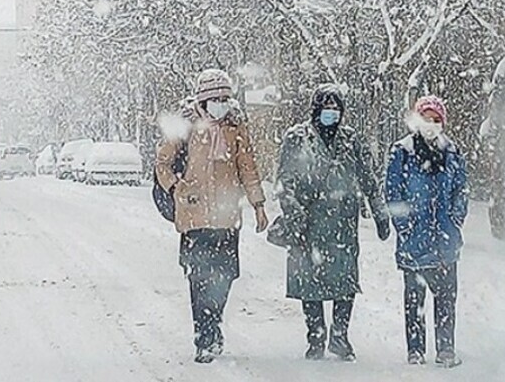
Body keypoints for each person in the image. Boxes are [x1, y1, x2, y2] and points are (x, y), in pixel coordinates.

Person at [155, 68, 269, 364]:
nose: (221, 103)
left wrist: (258, 205)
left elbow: (248, 168)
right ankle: (204, 337)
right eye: (216, 98)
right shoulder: (186, 127)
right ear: (204, 100)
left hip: (227, 217)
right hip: (194, 219)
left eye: (225, 98)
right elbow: (162, 163)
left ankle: (214, 322)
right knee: (199, 278)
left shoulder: (235, 128)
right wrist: (177, 188)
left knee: (225, 275)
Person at [276, 84, 389, 362]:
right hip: (308, 224)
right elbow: (284, 182)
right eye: (326, 108)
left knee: (345, 281)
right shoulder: (296, 138)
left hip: (342, 224)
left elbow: (368, 178)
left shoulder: (350, 139)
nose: (331, 113)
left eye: (336, 109)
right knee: (309, 281)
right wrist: (294, 212)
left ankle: (340, 336)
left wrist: (380, 212)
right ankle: (315, 336)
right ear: (316, 109)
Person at [385, 95, 468, 367]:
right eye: (426, 118)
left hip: (445, 241)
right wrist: (404, 226)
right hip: (414, 241)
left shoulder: (452, 152)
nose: (431, 124)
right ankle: (415, 349)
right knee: (414, 300)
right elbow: (393, 192)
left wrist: (455, 220)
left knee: (445, 299)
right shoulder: (402, 151)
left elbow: (461, 189)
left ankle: (446, 348)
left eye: (436, 120)